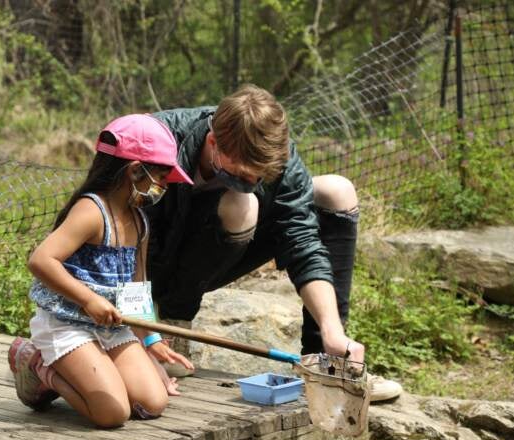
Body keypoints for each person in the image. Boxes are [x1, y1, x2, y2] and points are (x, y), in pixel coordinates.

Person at [145, 84, 401, 401]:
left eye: (260, 177)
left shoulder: (280, 160)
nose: (251, 181)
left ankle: (325, 363)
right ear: (213, 142)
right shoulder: (156, 140)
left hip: (220, 253)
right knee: (242, 202)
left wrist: (332, 329)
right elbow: (118, 238)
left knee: (337, 191)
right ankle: (172, 325)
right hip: (151, 270)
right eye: (241, 172)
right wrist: (144, 332)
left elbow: (303, 242)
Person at [8, 114, 196, 428]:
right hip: (66, 324)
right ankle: (39, 366)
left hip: (111, 328)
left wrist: (150, 341)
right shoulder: (91, 210)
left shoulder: (140, 222)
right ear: (136, 170)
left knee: (153, 402)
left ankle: (96, 369)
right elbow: (41, 260)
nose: (164, 186)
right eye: (162, 177)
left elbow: (137, 286)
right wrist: (89, 300)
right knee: (113, 413)